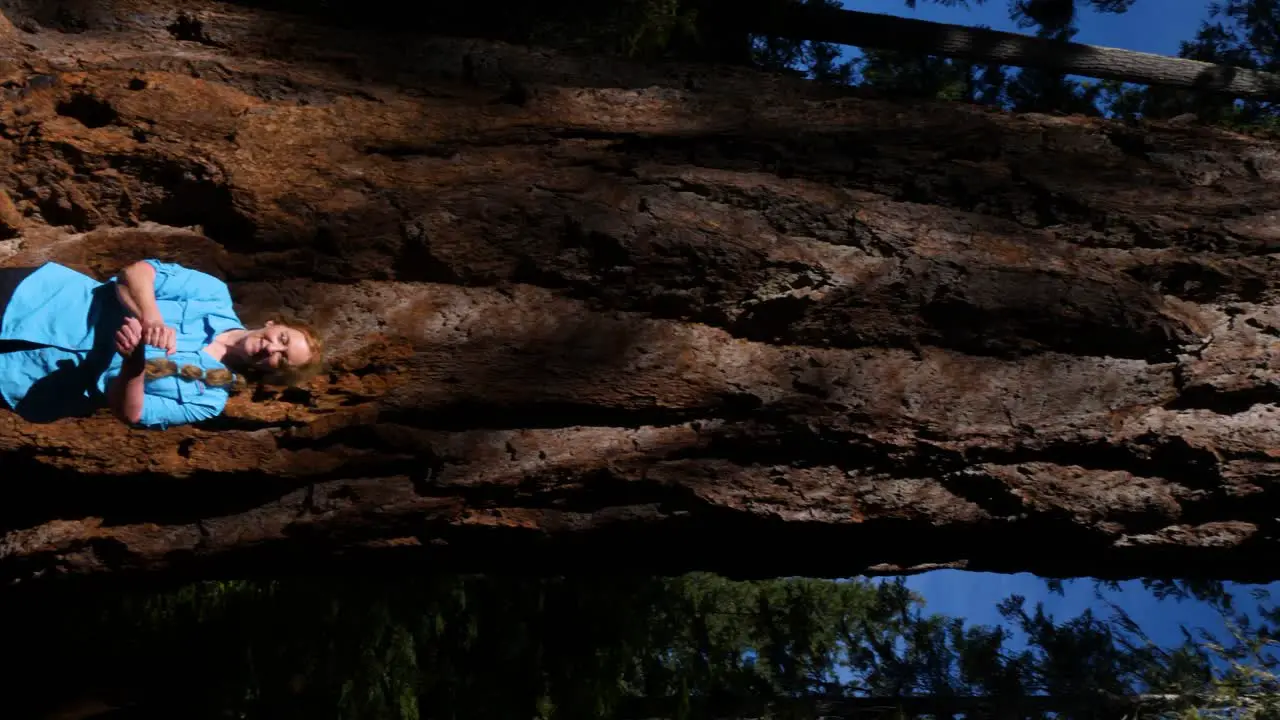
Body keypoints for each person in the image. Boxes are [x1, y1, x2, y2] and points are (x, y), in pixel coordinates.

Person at [0, 258, 323, 428]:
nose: (272, 348)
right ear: (274, 323)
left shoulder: (208, 400)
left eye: (281, 358)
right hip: (34, 299)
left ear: (272, 372)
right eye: (283, 339)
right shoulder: (211, 294)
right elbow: (136, 273)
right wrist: (151, 316)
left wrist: (134, 366)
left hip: (29, 381)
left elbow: (132, 414)